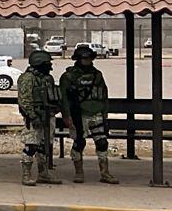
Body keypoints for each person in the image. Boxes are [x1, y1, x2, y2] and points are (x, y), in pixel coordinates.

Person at [59, 44, 116, 184]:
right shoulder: (69, 76)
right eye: (84, 58)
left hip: (96, 113)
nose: (87, 61)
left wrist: (105, 112)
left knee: (102, 142)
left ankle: (105, 173)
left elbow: (104, 94)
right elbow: (64, 98)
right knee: (79, 142)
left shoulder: (97, 75)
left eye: (89, 58)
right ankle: (79, 172)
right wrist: (66, 115)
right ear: (78, 59)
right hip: (78, 114)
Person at [17, 50, 62, 186]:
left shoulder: (47, 78)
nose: (50, 67)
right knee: (31, 146)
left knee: (44, 146)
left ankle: (43, 173)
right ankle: (26, 175)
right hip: (35, 118)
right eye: (48, 64)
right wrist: (32, 116)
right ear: (39, 63)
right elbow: (24, 100)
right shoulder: (27, 78)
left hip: (48, 116)